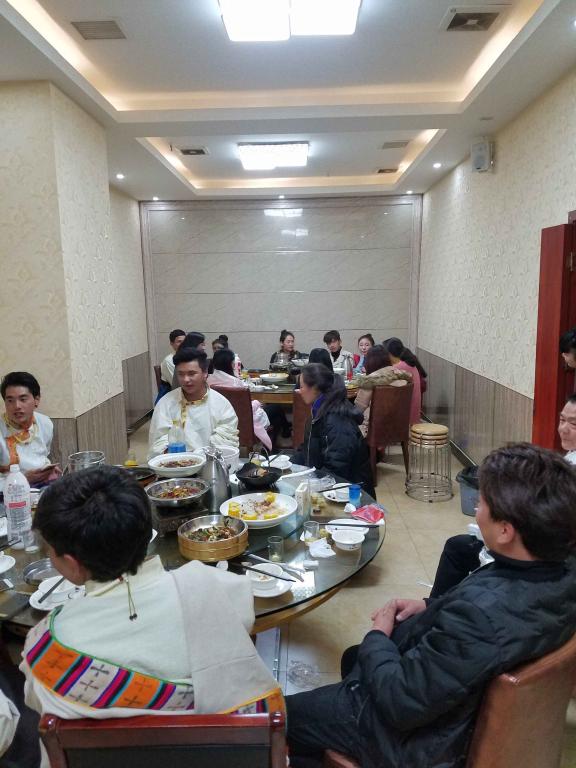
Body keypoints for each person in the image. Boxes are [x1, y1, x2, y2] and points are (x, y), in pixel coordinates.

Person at [286, 443, 576, 768]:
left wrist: (378, 635)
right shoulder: (560, 572)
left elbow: (400, 701)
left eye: (482, 502)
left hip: (414, 739)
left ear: (506, 530)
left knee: (279, 716)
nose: (476, 509)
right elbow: (488, 623)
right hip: (451, 703)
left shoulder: (478, 616)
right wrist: (431, 606)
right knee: (354, 657)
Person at [21, 467, 283, 726]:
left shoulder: (46, 649)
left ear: (72, 563)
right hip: (231, 743)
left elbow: (38, 703)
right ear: (147, 530)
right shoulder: (216, 587)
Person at [430, 394, 576, 597]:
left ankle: (435, 607)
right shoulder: (569, 458)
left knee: (458, 548)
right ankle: (434, 605)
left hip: (544, 557)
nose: (563, 429)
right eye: (562, 420)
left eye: (573, 424)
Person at [291, 364, 374, 497]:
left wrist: (311, 486)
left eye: (301, 387)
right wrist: (287, 465)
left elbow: (337, 468)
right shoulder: (319, 410)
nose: (299, 391)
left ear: (315, 388)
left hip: (350, 494)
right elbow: (308, 448)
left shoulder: (337, 419)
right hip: (328, 484)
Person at [149, 347, 238, 458]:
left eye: (191, 373)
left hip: (211, 464)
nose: (186, 379)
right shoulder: (165, 403)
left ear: (205, 373)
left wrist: (199, 458)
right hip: (174, 463)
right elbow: (158, 441)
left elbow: (226, 444)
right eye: (181, 374)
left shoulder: (221, 405)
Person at [0, 372, 61, 491]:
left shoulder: (45, 423)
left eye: (23, 399)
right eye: (10, 400)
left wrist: (48, 470)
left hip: (44, 486)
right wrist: (24, 479)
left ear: (36, 400)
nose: (16, 406)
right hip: (9, 493)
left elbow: (42, 456)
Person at [208, 349, 272, 450]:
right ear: (231, 364)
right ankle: (268, 451)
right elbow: (244, 408)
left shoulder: (208, 381)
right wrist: (257, 403)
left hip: (216, 423)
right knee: (273, 410)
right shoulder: (235, 383)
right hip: (241, 422)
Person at [354, 346, 412, 437]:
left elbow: (358, 409)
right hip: (399, 424)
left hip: (373, 428)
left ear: (370, 361)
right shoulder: (400, 375)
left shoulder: (369, 381)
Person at [383, 338, 426, 424]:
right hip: (414, 413)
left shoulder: (399, 367)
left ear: (389, 353)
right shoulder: (408, 363)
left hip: (406, 416)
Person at [158, 329, 186, 401]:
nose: (183, 344)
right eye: (179, 341)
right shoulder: (169, 361)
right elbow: (178, 385)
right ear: (172, 343)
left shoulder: (187, 358)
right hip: (171, 398)